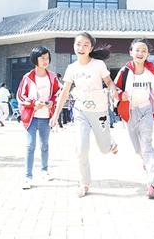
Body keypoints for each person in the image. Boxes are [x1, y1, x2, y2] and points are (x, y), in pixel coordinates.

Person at [51, 32, 119, 198]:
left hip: (100, 111)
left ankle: (110, 142)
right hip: (80, 111)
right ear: (74, 46)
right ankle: (84, 183)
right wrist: (56, 114)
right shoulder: (71, 68)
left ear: (91, 48)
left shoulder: (98, 64)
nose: (81, 48)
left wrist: (113, 90)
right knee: (81, 149)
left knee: (104, 149)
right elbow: (65, 92)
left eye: (85, 45)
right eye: (78, 44)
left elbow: (109, 82)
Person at [114, 38, 154, 199]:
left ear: (148, 54)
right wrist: (120, 95)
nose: (140, 53)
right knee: (138, 149)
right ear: (131, 52)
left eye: (144, 51)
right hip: (129, 112)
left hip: (145, 110)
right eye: (137, 50)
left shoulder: (151, 70)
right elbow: (114, 88)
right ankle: (145, 161)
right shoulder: (125, 71)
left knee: (147, 144)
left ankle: (152, 183)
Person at [17, 46, 61, 189]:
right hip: (31, 117)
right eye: (42, 58)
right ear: (35, 59)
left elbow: (58, 93)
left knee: (44, 145)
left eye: (47, 58)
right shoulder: (27, 77)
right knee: (30, 146)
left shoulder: (52, 77)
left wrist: (52, 102)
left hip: (45, 117)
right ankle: (28, 177)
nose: (45, 61)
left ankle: (44, 170)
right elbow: (20, 96)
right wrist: (33, 103)